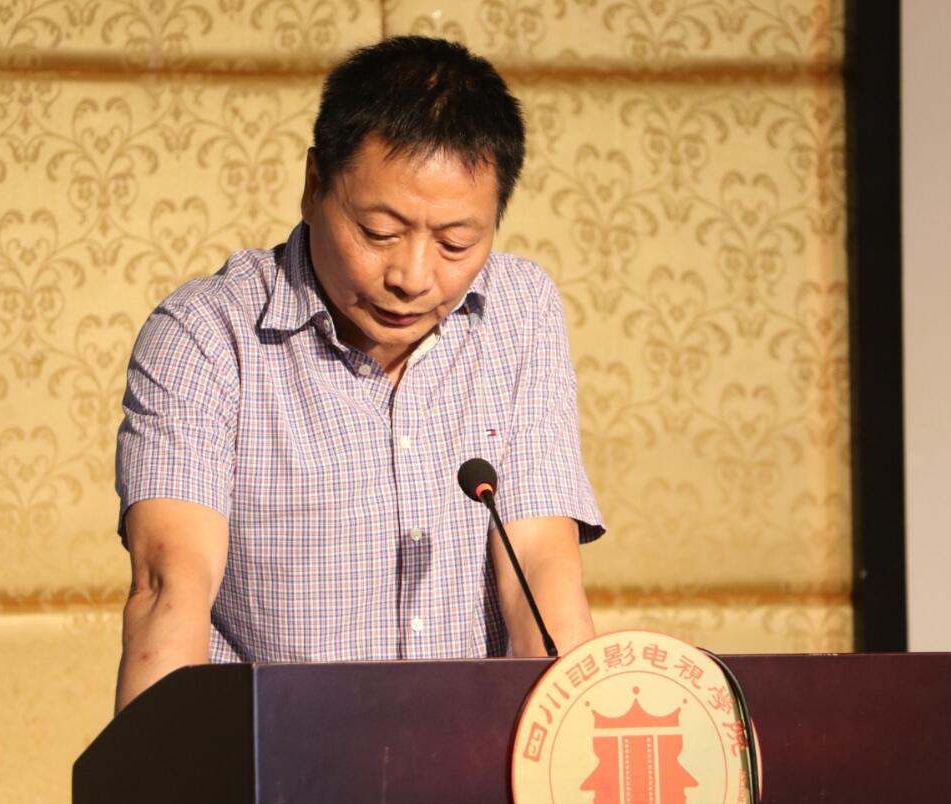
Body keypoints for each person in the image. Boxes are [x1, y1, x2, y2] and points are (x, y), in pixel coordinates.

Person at [113, 36, 604, 714]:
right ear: (314, 184)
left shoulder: (519, 311)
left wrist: (573, 755)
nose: (413, 277)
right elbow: (168, 589)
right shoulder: (205, 335)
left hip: (470, 754)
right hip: (281, 760)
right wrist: (154, 777)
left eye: (456, 243)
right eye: (379, 233)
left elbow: (543, 572)